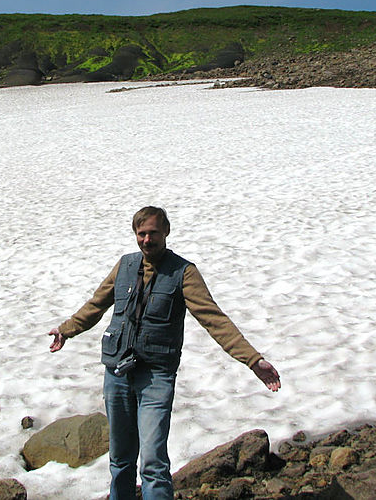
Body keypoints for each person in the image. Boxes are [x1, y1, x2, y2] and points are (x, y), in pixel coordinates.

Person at [48, 206, 280, 500]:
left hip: (156, 376)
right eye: (141, 233)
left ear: (166, 232)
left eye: (153, 233)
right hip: (117, 372)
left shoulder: (184, 273)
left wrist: (253, 359)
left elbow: (214, 319)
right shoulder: (125, 266)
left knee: (154, 463)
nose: (147, 240)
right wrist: (66, 330)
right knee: (120, 461)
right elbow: (96, 305)